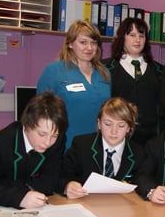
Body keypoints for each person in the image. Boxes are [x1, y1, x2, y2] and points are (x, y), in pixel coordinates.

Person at [0, 92, 68, 209]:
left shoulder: (58, 141)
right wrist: (19, 197)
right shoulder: (2, 142)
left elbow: (49, 182)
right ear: (26, 125)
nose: (48, 142)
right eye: (41, 134)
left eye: (54, 135)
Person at [37, 19, 110, 147]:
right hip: (65, 146)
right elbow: (41, 114)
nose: (89, 48)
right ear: (70, 43)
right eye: (83, 42)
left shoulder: (105, 73)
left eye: (93, 43)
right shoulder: (54, 71)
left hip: (98, 147)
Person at [61, 97, 146, 199]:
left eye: (121, 125)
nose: (114, 131)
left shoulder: (138, 153)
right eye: (108, 124)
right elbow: (62, 173)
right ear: (99, 123)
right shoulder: (82, 145)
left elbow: (143, 180)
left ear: (129, 128)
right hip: (86, 204)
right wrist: (68, 185)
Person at [104, 17, 162, 145]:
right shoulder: (106, 69)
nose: (137, 40)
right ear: (122, 38)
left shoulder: (160, 71)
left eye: (141, 36)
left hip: (151, 140)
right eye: (132, 35)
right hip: (116, 138)